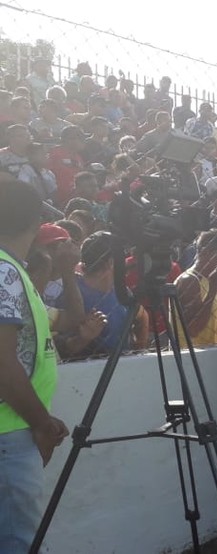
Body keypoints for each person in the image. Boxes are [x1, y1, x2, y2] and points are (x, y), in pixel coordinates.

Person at [0, 178, 69, 552]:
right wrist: (41, 423)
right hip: (9, 434)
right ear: (35, 222)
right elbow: (1, 364)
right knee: (16, 542)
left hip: (12, 431)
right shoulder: (4, 270)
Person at [173, 230, 217, 349]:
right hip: (195, 360)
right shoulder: (190, 281)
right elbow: (193, 329)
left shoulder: (210, 278)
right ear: (205, 252)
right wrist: (213, 290)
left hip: (215, 355)